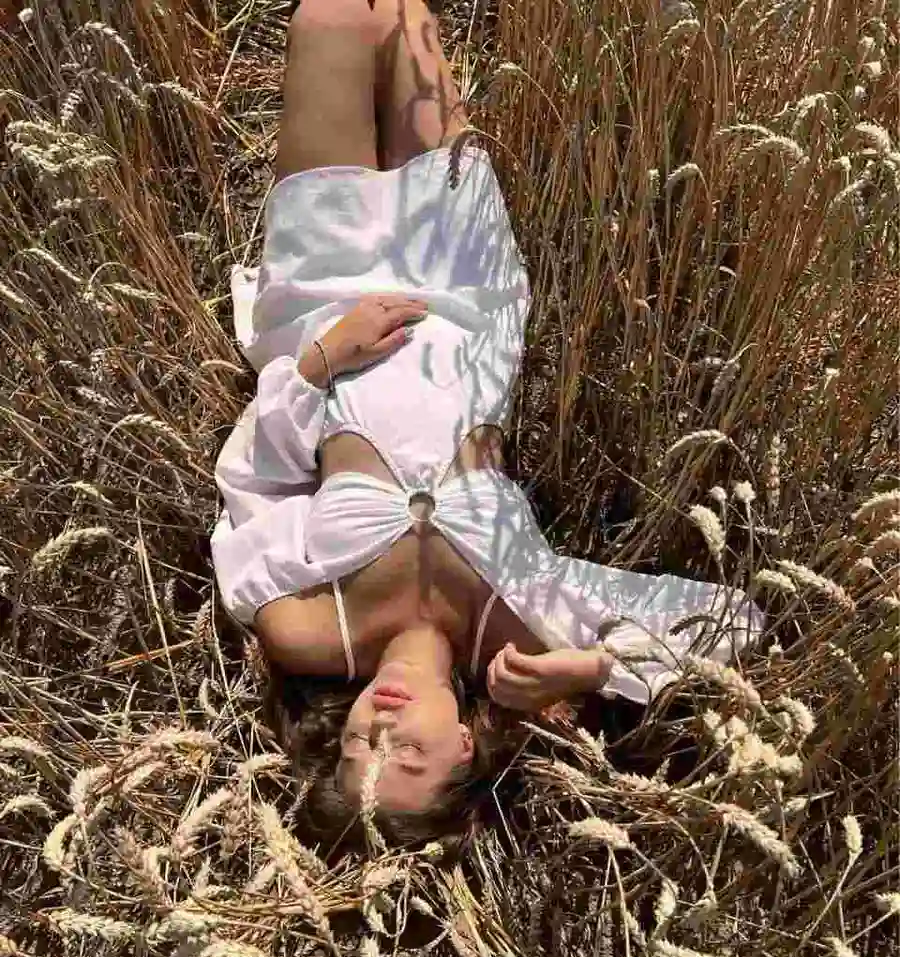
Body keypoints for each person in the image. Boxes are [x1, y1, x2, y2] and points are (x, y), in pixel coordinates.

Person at [211, 0, 761, 848]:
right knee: (401, 18)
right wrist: (598, 665)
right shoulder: (528, 633)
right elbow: (735, 624)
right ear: (466, 748)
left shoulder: (306, 632)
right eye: (408, 755)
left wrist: (320, 359)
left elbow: (252, 478)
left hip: (325, 295)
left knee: (330, 16)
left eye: (358, 748)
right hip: (465, 294)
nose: (382, 729)